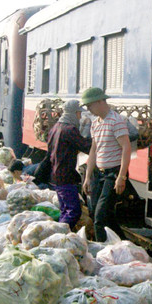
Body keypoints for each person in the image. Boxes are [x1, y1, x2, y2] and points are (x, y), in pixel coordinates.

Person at [81, 87, 132, 242]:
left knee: (100, 218)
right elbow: (93, 150)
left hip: (113, 173)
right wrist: (87, 177)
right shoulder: (95, 123)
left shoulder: (116, 121)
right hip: (99, 173)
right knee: (103, 214)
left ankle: (101, 252)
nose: (88, 109)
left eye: (89, 105)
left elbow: (126, 148)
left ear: (99, 102)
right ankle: (124, 245)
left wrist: (121, 176)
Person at [46, 99, 92, 230]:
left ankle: (58, 233)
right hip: (65, 176)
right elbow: (86, 147)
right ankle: (60, 235)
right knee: (73, 211)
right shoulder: (69, 130)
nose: (80, 117)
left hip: (55, 174)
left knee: (65, 210)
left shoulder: (55, 128)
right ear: (74, 113)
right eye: (79, 114)